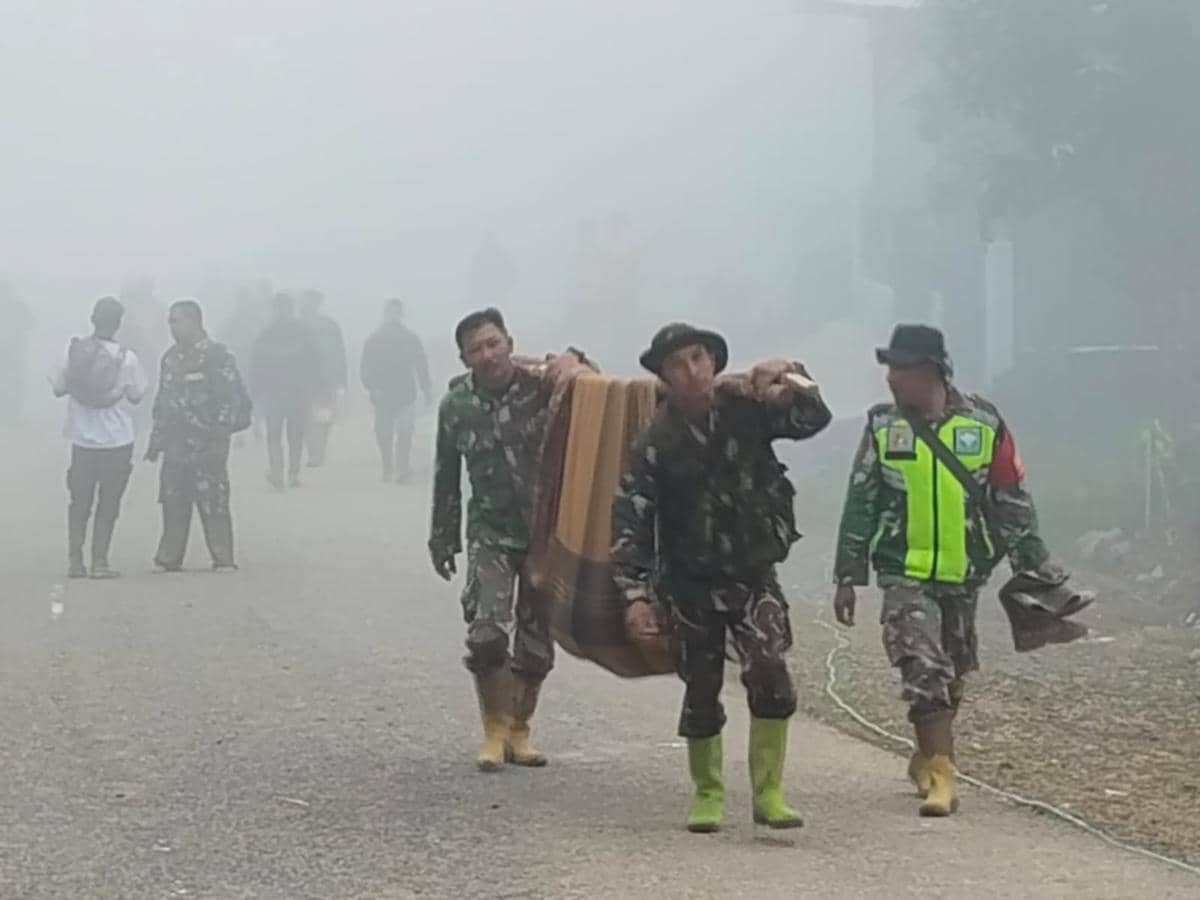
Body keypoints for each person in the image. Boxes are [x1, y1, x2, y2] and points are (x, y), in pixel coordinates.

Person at [611, 323, 832, 834]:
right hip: (689, 581)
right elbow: (631, 520)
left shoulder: (746, 410)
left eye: (698, 358)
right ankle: (708, 792)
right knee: (702, 689)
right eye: (677, 364)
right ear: (664, 376)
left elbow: (811, 419)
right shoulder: (656, 441)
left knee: (771, 671)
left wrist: (793, 375)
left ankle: (769, 793)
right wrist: (636, 596)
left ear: (712, 361)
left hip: (753, 574)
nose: (691, 371)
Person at [832, 324, 1059, 817]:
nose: (891, 380)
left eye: (902, 370)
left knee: (954, 670)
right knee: (922, 665)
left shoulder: (984, 423)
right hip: (904, 573)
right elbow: (861, 500)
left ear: (931, 372)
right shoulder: (882, 426)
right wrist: (847, 575)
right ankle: (944, 774)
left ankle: (926, 756)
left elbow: (1010, 499)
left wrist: (1035, 565)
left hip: (964, 573)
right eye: (889, 370)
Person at [429, 308, 591, 772]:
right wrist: (442, 537)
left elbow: (594, 388)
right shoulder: (456, 406)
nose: (488, 355)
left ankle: (521, 728)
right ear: (464, 358)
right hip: (490, 531)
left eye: (494, 343)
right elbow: (446, 474)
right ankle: (494, 728)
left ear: (509, 342)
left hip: (544, 533)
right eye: (476, 349)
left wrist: (574, 357)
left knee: (536, 641)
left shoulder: (543, 388)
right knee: (487, 633)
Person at [146, 300, 251, 572]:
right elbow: (163, 400)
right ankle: (170, 556)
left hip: (207, 441)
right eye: (170, 322)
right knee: (172, 499)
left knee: (213, 500)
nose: (172, 327)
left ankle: (222, 556)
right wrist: (156, 438)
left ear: (195, 321)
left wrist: (220, 436)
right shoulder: (170, 358)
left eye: (176, 321)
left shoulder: (217, 356)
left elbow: (229, 399)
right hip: (176, 443)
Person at [50, 297, 148, 578]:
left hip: (81, 438)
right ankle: (100, 561)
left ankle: (75, 560)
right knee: (109, 501)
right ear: (119, 323)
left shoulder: (72, 351)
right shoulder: (126, 358)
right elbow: (137, 396)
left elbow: (58, 388)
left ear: (92, 318)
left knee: (79, 501)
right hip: (117, 439)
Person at [251, 293, 319, 489]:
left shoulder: (267, 333)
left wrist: (256, 389)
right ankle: (287, 473)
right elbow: (316, 361)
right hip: (290, 391)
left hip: (280, 392)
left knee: (283, 434)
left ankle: (281, 472)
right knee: (289, 434)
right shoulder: (302, 332)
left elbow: (257, 364)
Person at [360, 299, 432, 482]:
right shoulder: (374, 340)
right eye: (390, 313)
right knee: (383, 433)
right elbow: (365, 367)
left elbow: (420, 364)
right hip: (382, 393)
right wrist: (371, 387)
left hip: (406, 393)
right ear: (385, 314)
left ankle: (402, 467)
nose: (393, 316)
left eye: (396, 313)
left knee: (405, 430)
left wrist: (426, 388)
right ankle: (387, 465)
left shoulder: (410, 338)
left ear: (401, 315)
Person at [299, 289, 347, 468]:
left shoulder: (330, 326)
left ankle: (319, 450)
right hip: (303, 380)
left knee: (324, 417)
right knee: (304, 417)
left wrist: (341, 380)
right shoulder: (298, 325)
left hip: (326, 379)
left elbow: (339, 353)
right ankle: (313, 450)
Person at [0, 282, 35, 424]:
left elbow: (30, 322)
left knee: (11, 383)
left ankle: (9, 415)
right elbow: (31, 322)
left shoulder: (15, 306)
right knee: (14, 384)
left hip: (11, 354)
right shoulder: (17, 306)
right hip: (15, 354)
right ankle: (12, 416)